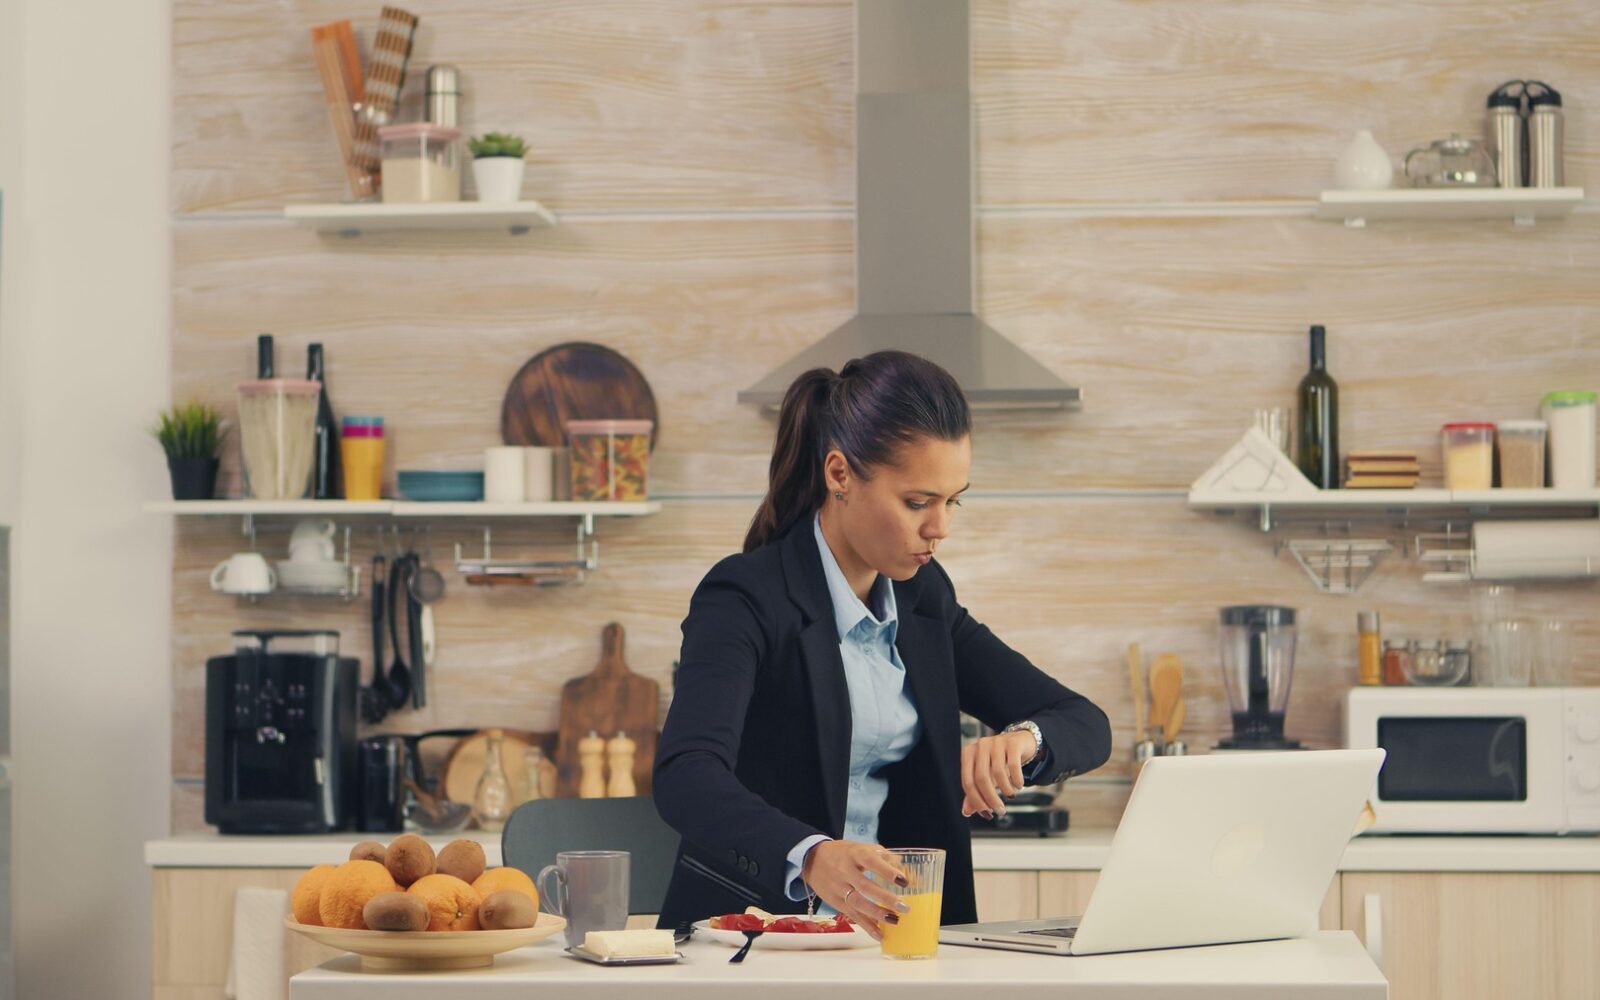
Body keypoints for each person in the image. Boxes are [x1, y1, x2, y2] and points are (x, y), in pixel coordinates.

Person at [653, 351, 1111, 936]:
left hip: (894, 939)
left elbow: (1083, 721)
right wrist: (812, 852)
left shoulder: (925, 600)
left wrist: (1025, 740)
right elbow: (687, 775)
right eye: (917, 502)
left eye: (953, 500)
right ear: (839, 474)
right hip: (752, 940)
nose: (939, 527)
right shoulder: (745, 596)